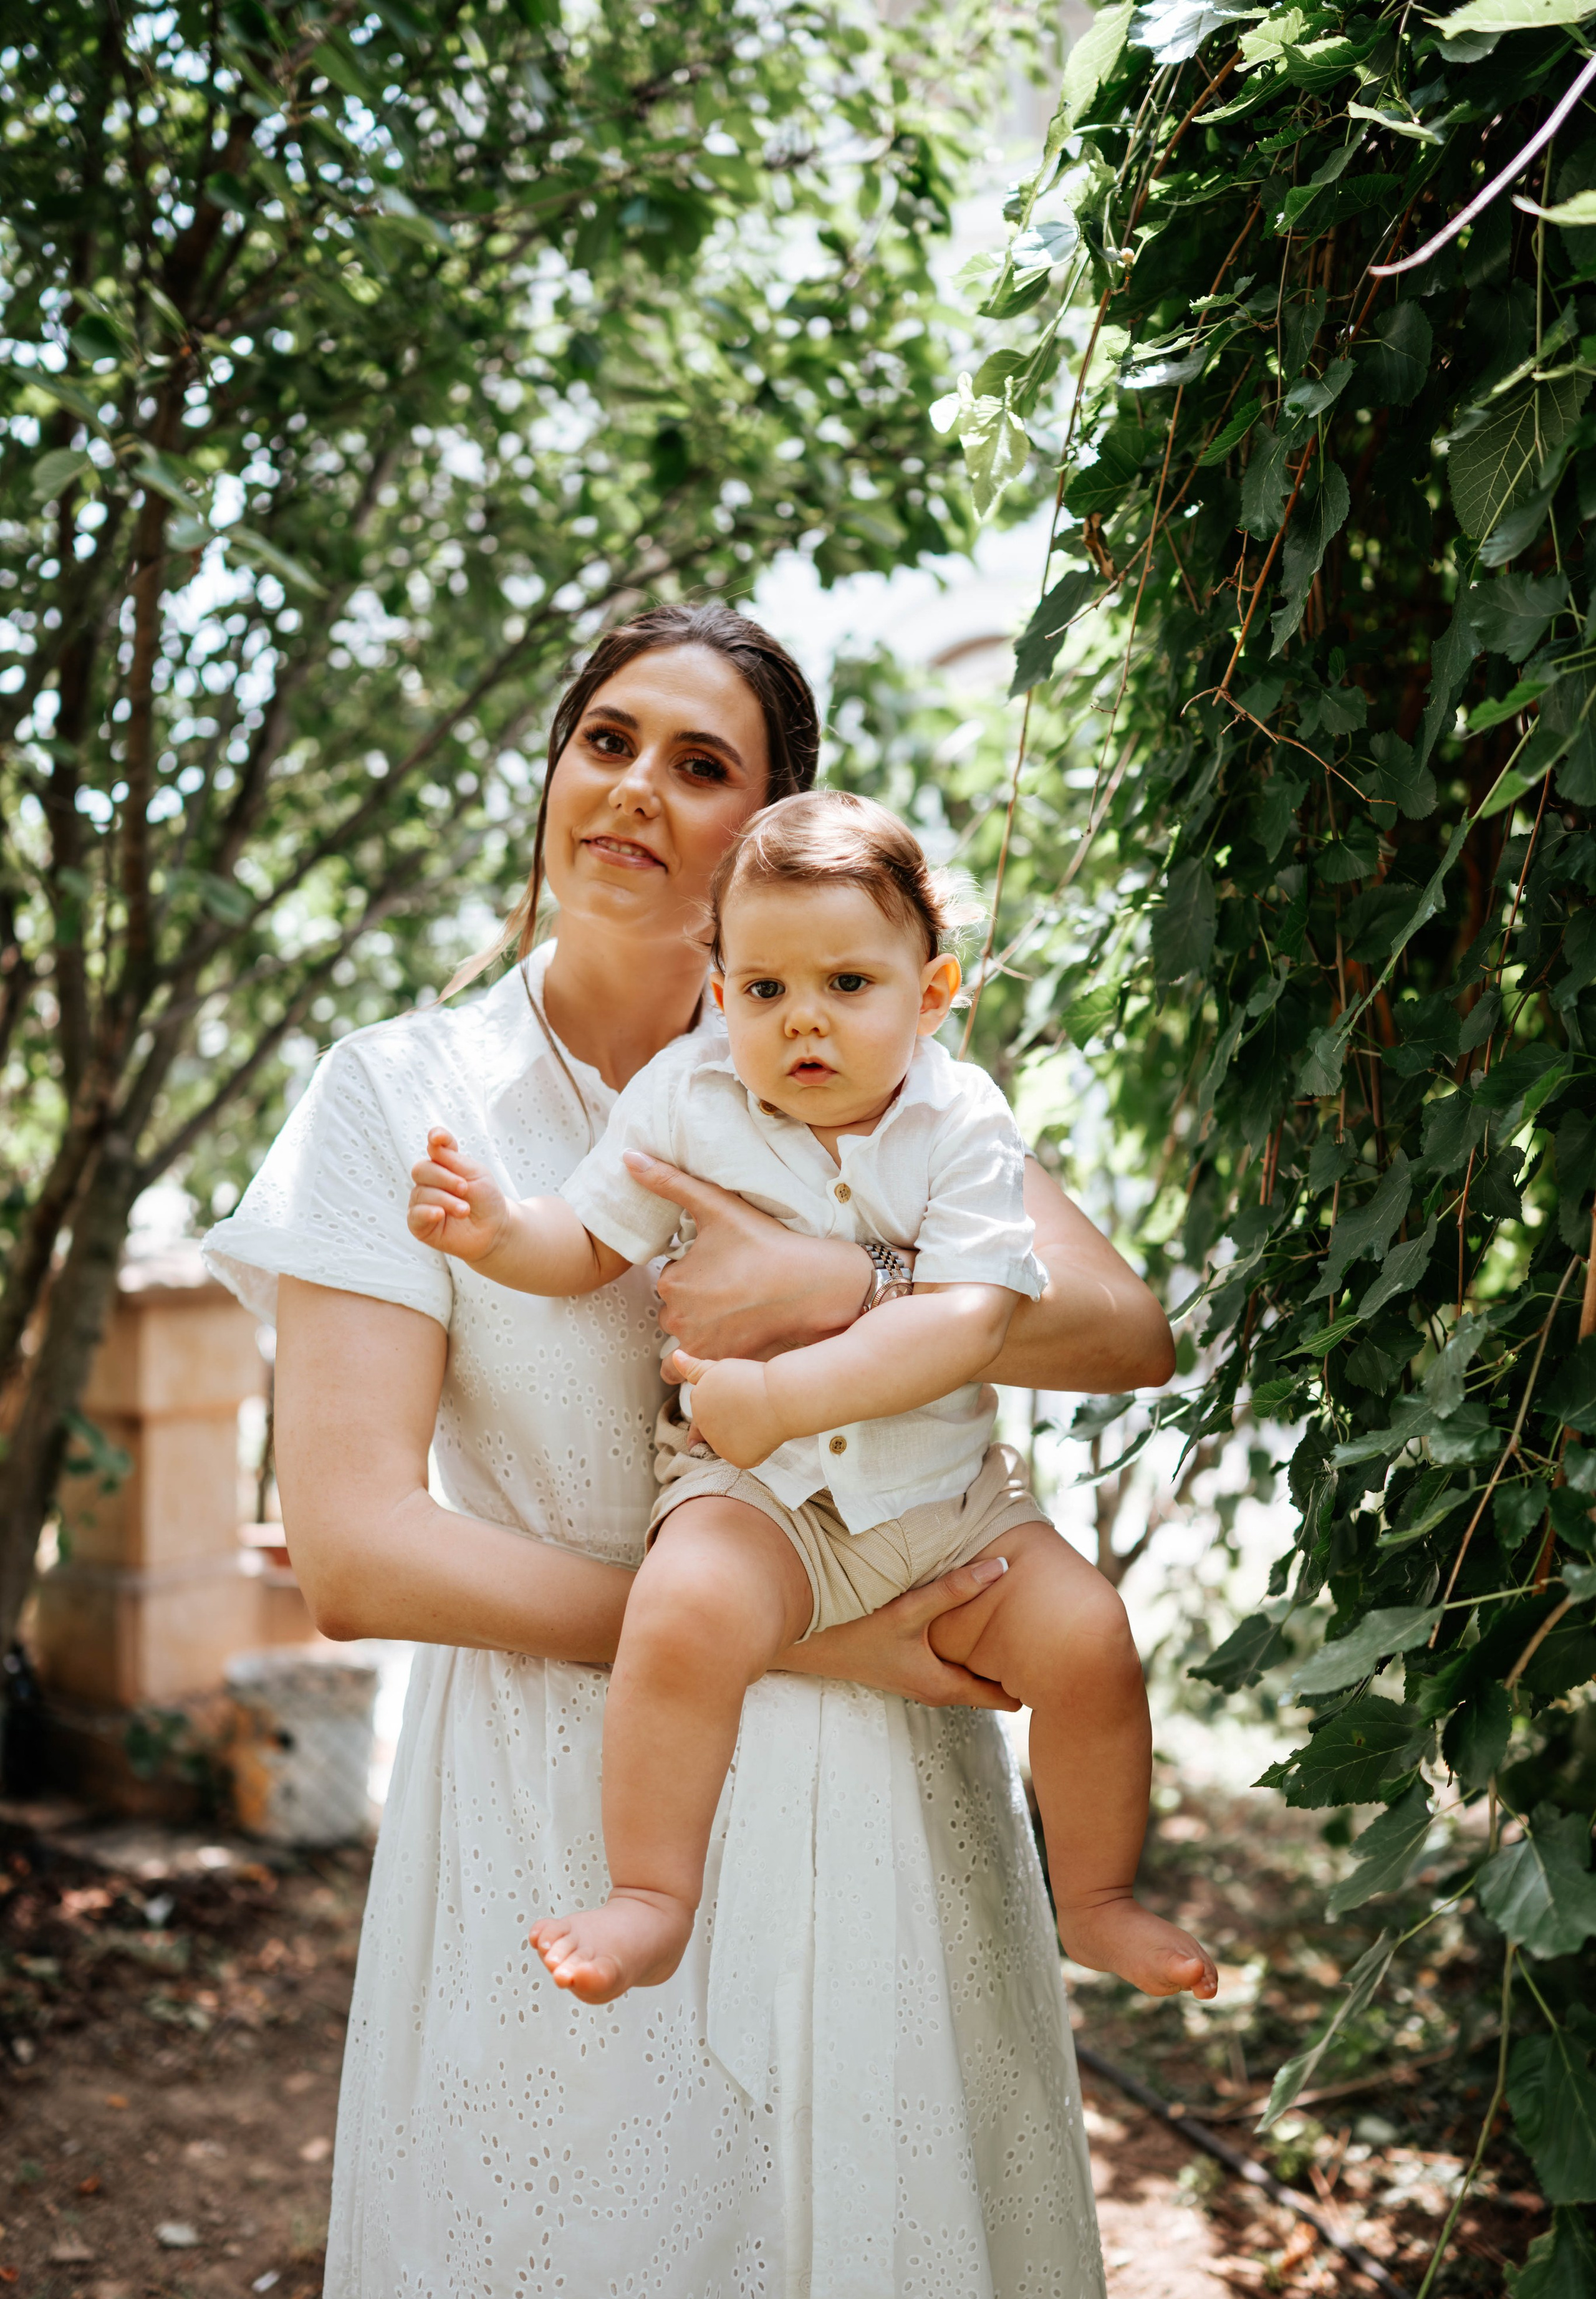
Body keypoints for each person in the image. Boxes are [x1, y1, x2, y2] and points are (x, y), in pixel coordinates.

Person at [204, 602, 1172, 2299]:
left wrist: (842, 1291)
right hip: (568, 1801)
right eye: (609, 739)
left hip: (889, 1801)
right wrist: (819, 1644)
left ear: (775, 844)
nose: (639, 785)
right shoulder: (406, 1096)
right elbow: (352, 1553)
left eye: (704, 763)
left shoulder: (871, 1068)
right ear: (556, 777)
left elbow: (1121, 1326)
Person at [407, 790, 1216, 2014]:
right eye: (767, 990)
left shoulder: (963, 1122)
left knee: (1089, 1638)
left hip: (943, 1503)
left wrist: (780, 1390)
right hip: (756, 1495)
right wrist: (496, 1232)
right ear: (721, 994)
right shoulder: (686, 1099)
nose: (804, 1023)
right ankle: (650, 1895)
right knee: (681, 1611)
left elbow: (968, 1319)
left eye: (847, 984)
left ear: (929, 994)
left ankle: (1095, 1898)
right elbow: (585, 1239)